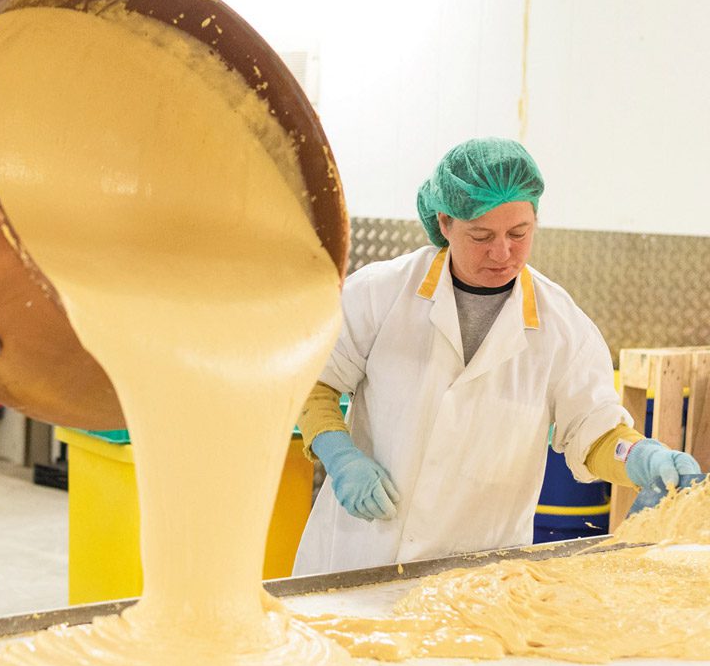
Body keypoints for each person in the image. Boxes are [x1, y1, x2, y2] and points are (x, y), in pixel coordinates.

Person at [293, 137, 700, 575]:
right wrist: (341, 458)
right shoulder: (380, 294)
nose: (502, 253)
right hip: (359, 557)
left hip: (476, 573)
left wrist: (641, 458)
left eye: (518, 233)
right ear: (445, 223)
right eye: (481, 236)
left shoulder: (561, 326)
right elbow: (314, 382)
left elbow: (595, 432)